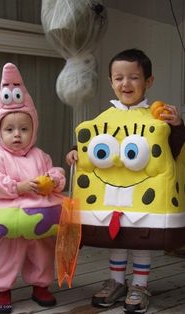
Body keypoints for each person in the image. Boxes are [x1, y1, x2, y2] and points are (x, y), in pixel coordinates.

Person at [66, 48, 185, 313]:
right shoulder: (104, 118)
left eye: (133, 77)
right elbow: (93, 143)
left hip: (144, 195)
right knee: (116, 237)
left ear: (149, 81)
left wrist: (177, 125)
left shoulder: (158, 118)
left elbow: (174, 149)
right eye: (118, 78)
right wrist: (75, 150)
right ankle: (116, 282)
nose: (125, 84)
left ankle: (140, 284)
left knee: (140, 239)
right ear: (111, 81)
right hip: (111, 194)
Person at [0, 63, 66, 313]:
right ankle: (1, 289)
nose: (17, 134)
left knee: (41, 250)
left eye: (24, 128)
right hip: (8, 220)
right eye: (9, 129)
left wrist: (53, 180)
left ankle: (40, 285)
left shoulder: (40, 155)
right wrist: (18, 186)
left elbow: (56, 172)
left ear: (34, 129)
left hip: (37, 218)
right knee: (5, 253)